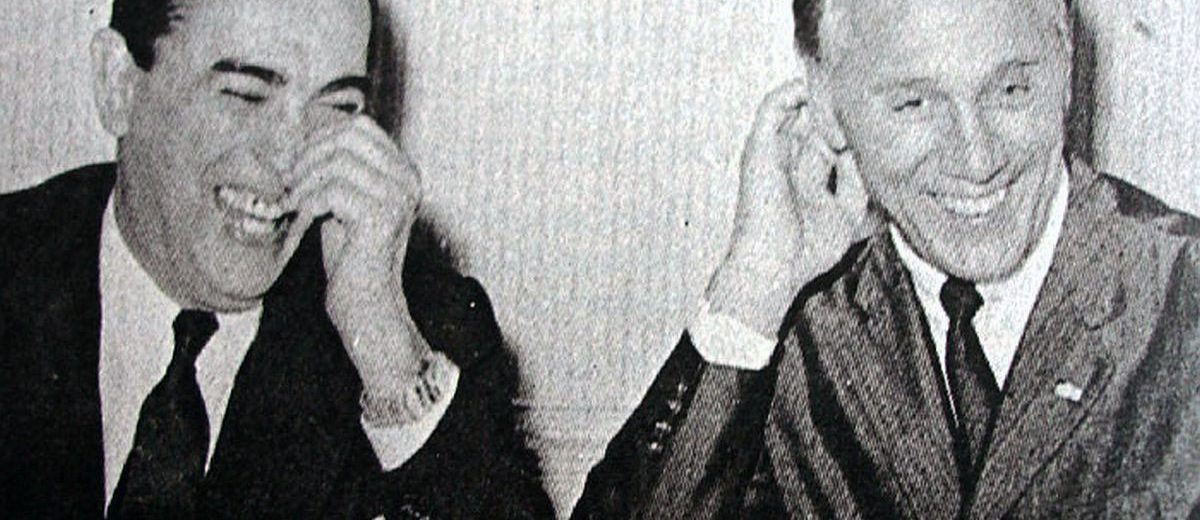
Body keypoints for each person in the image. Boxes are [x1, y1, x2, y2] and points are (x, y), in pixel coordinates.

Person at [575, 0, 1200, 517]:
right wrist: (751, 291)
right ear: (825, 103)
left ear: (1067, 68)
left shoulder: (1183, 295)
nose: (977, 159)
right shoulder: (785, 328)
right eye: (914, 104)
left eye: (1011, 89)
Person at [0, 0, 553, 518]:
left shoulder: (421, 329)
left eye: (338, 107)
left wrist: (384, 354)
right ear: (117, 84)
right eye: (246, 95)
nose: (290, 157)